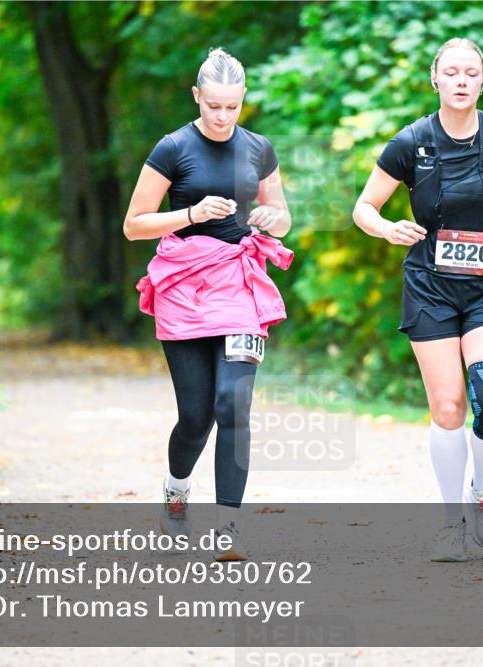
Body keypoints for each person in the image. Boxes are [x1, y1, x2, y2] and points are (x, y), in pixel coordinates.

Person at [353, 38, 483, 562]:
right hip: (430, 286)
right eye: (450, 71)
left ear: (482, 80)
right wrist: (387, 229)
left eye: (469, 72)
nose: (460, 80)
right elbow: (364, 207)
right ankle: (450, 521)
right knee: (450, 406)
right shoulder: (410, 142)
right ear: (435, 79)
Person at [124, 48, 293, 561]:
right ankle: (177, 490)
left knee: (233, 404)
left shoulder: (259, 149)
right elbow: (134, 224)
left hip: (240, 284)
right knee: (196, 416)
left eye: (233, 107)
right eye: (213, 106)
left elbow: (281, 215)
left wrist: (269, 220)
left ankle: (230, 528)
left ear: (244, 102)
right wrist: (192, 213)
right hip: (185, 285)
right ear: (197, 97)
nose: (222, 117)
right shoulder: (173, 148)